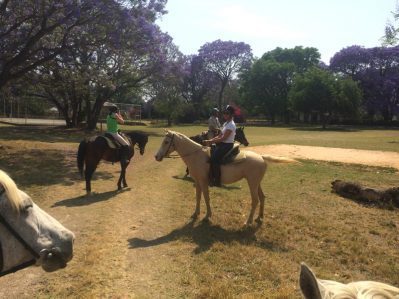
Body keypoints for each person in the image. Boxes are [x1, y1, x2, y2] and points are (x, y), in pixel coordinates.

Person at [204, 105, 236, 187]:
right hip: (222, 144)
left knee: (214, 159)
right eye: (224, 113)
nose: (224, 115)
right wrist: (211, 140)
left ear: (231, 115)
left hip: (227, 145)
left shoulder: (231, 125)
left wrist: (211, 141)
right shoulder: (226, 123)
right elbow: (220, 135)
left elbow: (223, 138)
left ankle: (217, 181)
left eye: (227, 113)